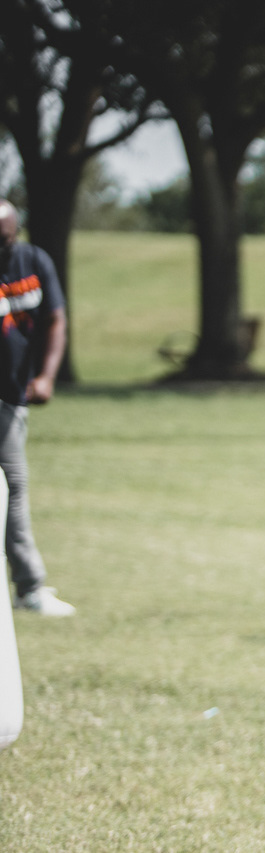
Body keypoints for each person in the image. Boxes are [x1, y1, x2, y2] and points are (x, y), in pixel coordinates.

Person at [0, 199, 73, 617]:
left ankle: (28, 588)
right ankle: (29, 586)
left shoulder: (33, 261)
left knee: (13, 486)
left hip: (11, 396)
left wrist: (46, 375)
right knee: (13, 486)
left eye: (5, 240)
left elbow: (55, 320)